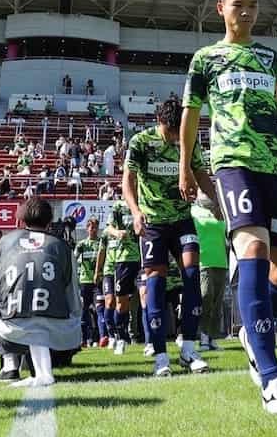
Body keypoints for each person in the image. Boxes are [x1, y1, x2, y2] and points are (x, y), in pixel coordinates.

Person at [180, 0, 277, 415]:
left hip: (275, 167)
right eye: (239, 4)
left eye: (254, 5)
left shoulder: (273, 61)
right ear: (220, 8)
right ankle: (272, 376)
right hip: (232, 165)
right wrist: (187, 164)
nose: (248, 12)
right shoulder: (206, 60)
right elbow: (191, 114)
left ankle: (251, 334)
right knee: (252, 247)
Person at [125, 97, 215, 376]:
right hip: (153, 223)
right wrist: (136, 212)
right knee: (155, 284)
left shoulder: (188, 140)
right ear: (159, 122)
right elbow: (127, 179)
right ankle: (160, 355)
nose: (175, 137)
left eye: (179, 131)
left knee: (191, 275)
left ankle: (189, 348)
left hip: (182, 219)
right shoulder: (141, 142)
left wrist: (218, 205)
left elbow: (200, 172)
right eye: (170, 131)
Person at [0, 198, 82, 387]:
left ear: (22, 220)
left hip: (12, 330)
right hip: (57, 332)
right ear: (49, 222)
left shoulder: (6, 242)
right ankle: (40, 364)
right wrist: (75, 322)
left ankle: (10, 365)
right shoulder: (62, 246)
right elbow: (72, 293)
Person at [97, 199, 141, 354]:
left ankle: (152, 342)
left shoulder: (145, 201)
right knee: (118, 302)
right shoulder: (119, 206)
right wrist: (117, 232)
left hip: (144, 258)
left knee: (145, 298)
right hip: (123, 260)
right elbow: (108, 228)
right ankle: (118, 337)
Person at [192, 197, 227, 350]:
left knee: (217, 302)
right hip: (202, 260)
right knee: (206, 296)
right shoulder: (193, 211)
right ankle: (203, 335)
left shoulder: (220, 211)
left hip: (220, 260)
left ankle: (212, 336)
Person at [73, 218, 106, 348]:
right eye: (91, 227)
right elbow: (73, 258)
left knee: (99, 309)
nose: (93, 230)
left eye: (95, 227)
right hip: (84, 281)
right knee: (84, 311)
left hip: (98, 282)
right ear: (87, 229)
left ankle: (102, 337)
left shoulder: (101, 243)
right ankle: (84, 339)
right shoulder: (82, 244)